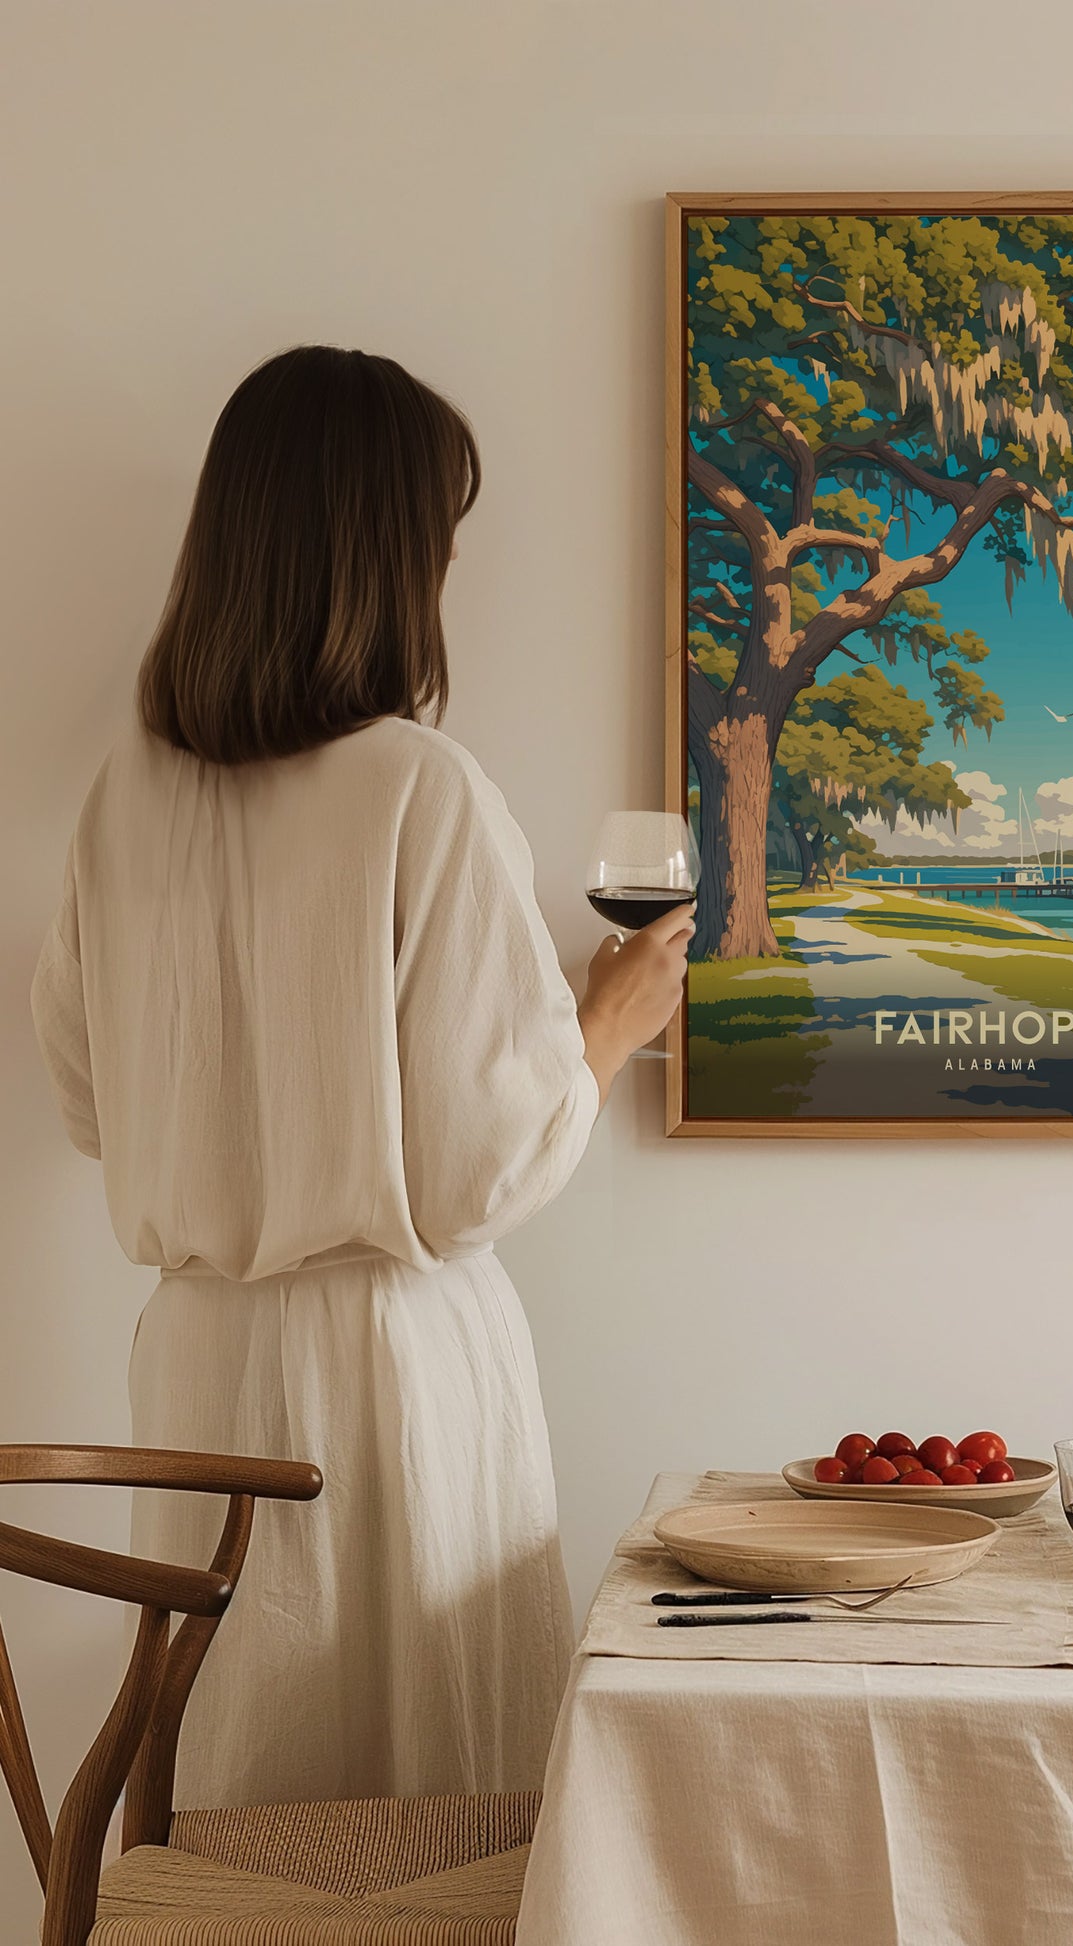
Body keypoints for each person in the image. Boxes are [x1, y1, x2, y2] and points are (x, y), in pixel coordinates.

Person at [29, 345, 690, 1806]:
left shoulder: (122, 797)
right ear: (387, 556)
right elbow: (474, 1172)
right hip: (391, 1372)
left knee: (241, 1790)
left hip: (197, 1361)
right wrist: (605, 1021)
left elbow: (87, 1101)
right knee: (424, 1810)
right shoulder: (417, 785)